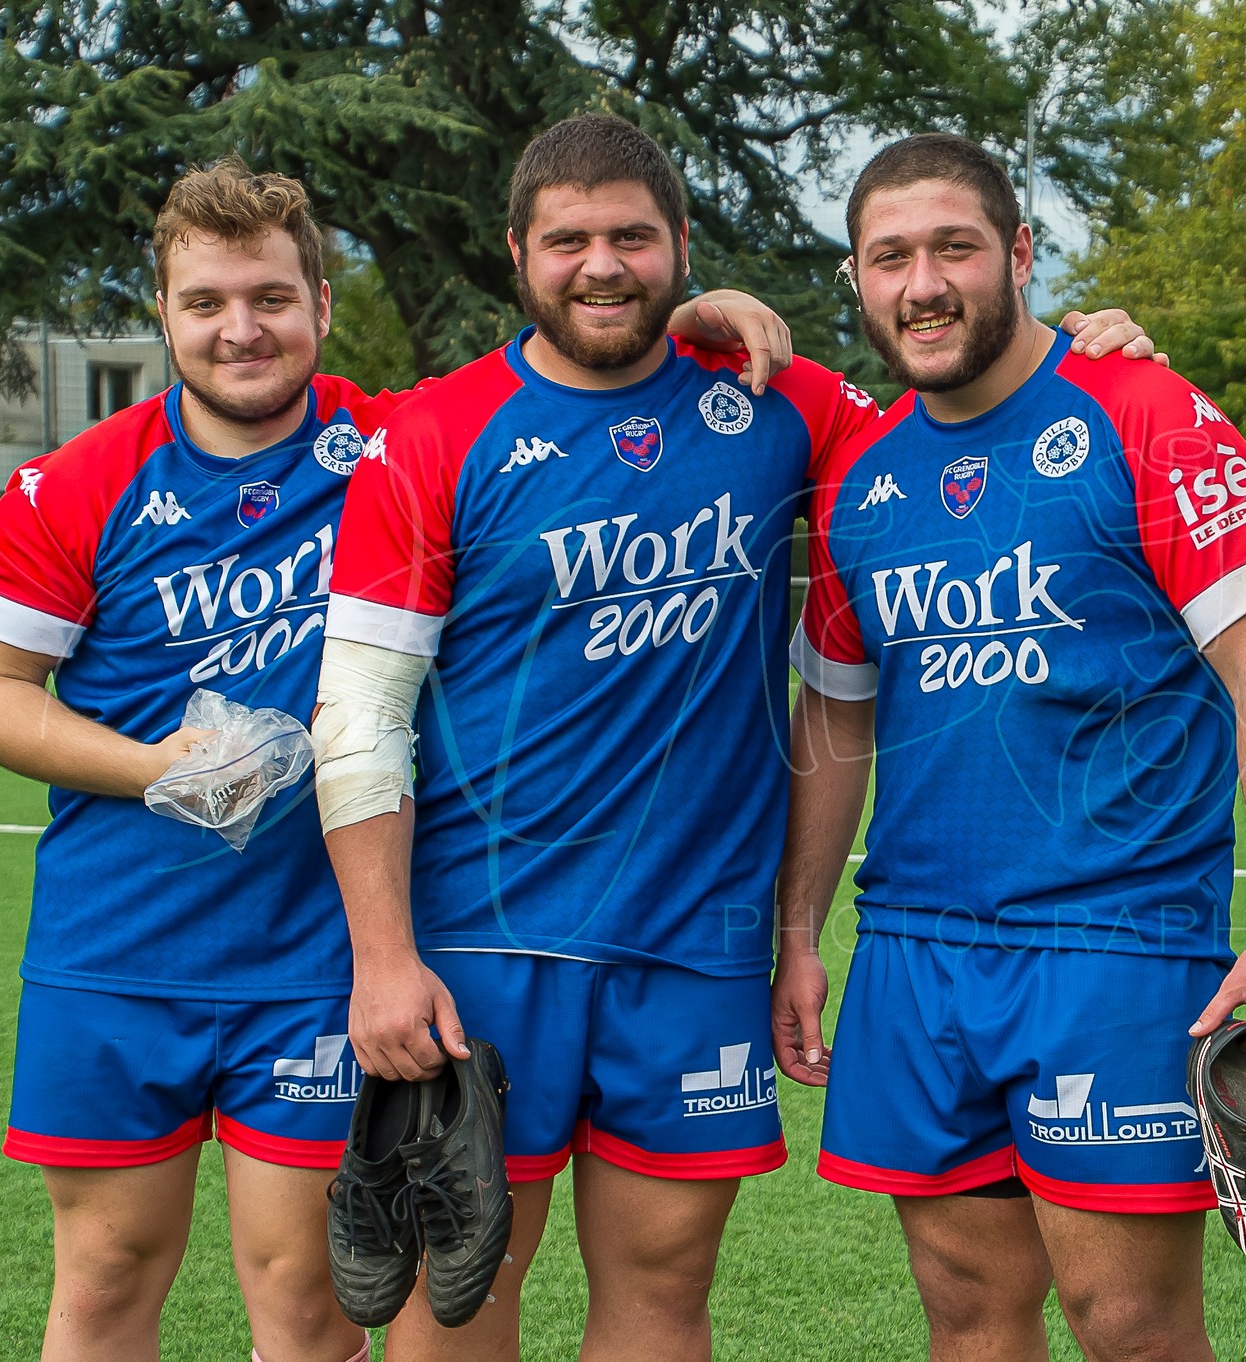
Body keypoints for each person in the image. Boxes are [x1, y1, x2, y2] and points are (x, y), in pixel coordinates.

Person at [312, 115, 1160, 1362]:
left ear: (680, 247)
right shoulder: (434, 434)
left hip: (696, 947)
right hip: (481, 947)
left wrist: (1094, 352)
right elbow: (360, 718)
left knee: (662, 1290)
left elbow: (959, 403)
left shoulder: (782, 402)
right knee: (462, 1293)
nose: (600, 266)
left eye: (631, 238)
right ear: (516, 253)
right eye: (568, 242)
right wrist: (381, 957)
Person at [0, 155, 799, 1362]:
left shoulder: (399, 437)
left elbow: (566, 371)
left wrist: (689, 312)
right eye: (206, 304)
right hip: (114, 945)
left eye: (273, 300)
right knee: (105, 1275)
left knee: (317, 1304)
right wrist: (158, 767)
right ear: (164, 313)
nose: (242, 332)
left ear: (322, 307)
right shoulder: (80, 485)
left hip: (316, 952)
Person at [773, 133, 1246, 1361]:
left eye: (952, 249)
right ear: (857, 283)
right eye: (888, 258)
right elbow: (833, 715)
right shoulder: (856, 479)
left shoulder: (1145, 411)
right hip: (915, 950)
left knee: (1127, 1322)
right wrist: (795, 937)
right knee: (968, 1315)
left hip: (1112, 946)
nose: (920, 284)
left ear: (1019, 255)